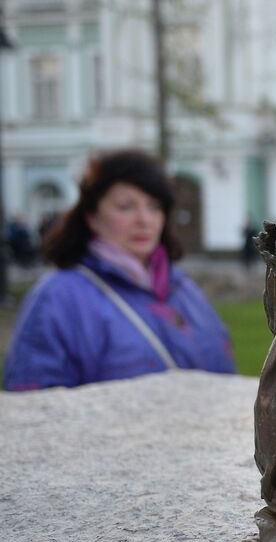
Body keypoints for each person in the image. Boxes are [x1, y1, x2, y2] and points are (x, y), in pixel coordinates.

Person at [3, 151, 235, 390]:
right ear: (92, 216)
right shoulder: (57, 297)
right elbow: (35, 399)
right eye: (126, 207)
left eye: (154, 206)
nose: (144, 220)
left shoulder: (183, 287)